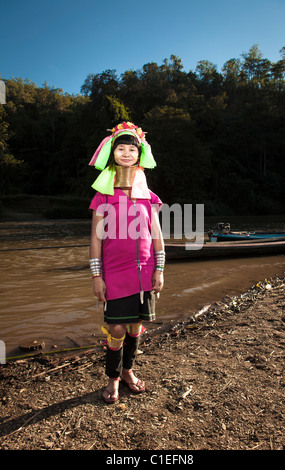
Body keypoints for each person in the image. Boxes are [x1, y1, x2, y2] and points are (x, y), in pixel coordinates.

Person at [88, 122, 165, 403]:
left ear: (139, 154)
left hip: (145, 273)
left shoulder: (148, 197)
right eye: (120, 148)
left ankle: (129, 372)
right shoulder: (103, 196)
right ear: (113, 153)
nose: (126, 153)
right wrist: (96, 276)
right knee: (117, 328)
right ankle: (113, 378)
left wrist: (160, 268)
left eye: (132, 149)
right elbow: (95, 240)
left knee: (135, 326)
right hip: (114, 273)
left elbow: (156, 235)